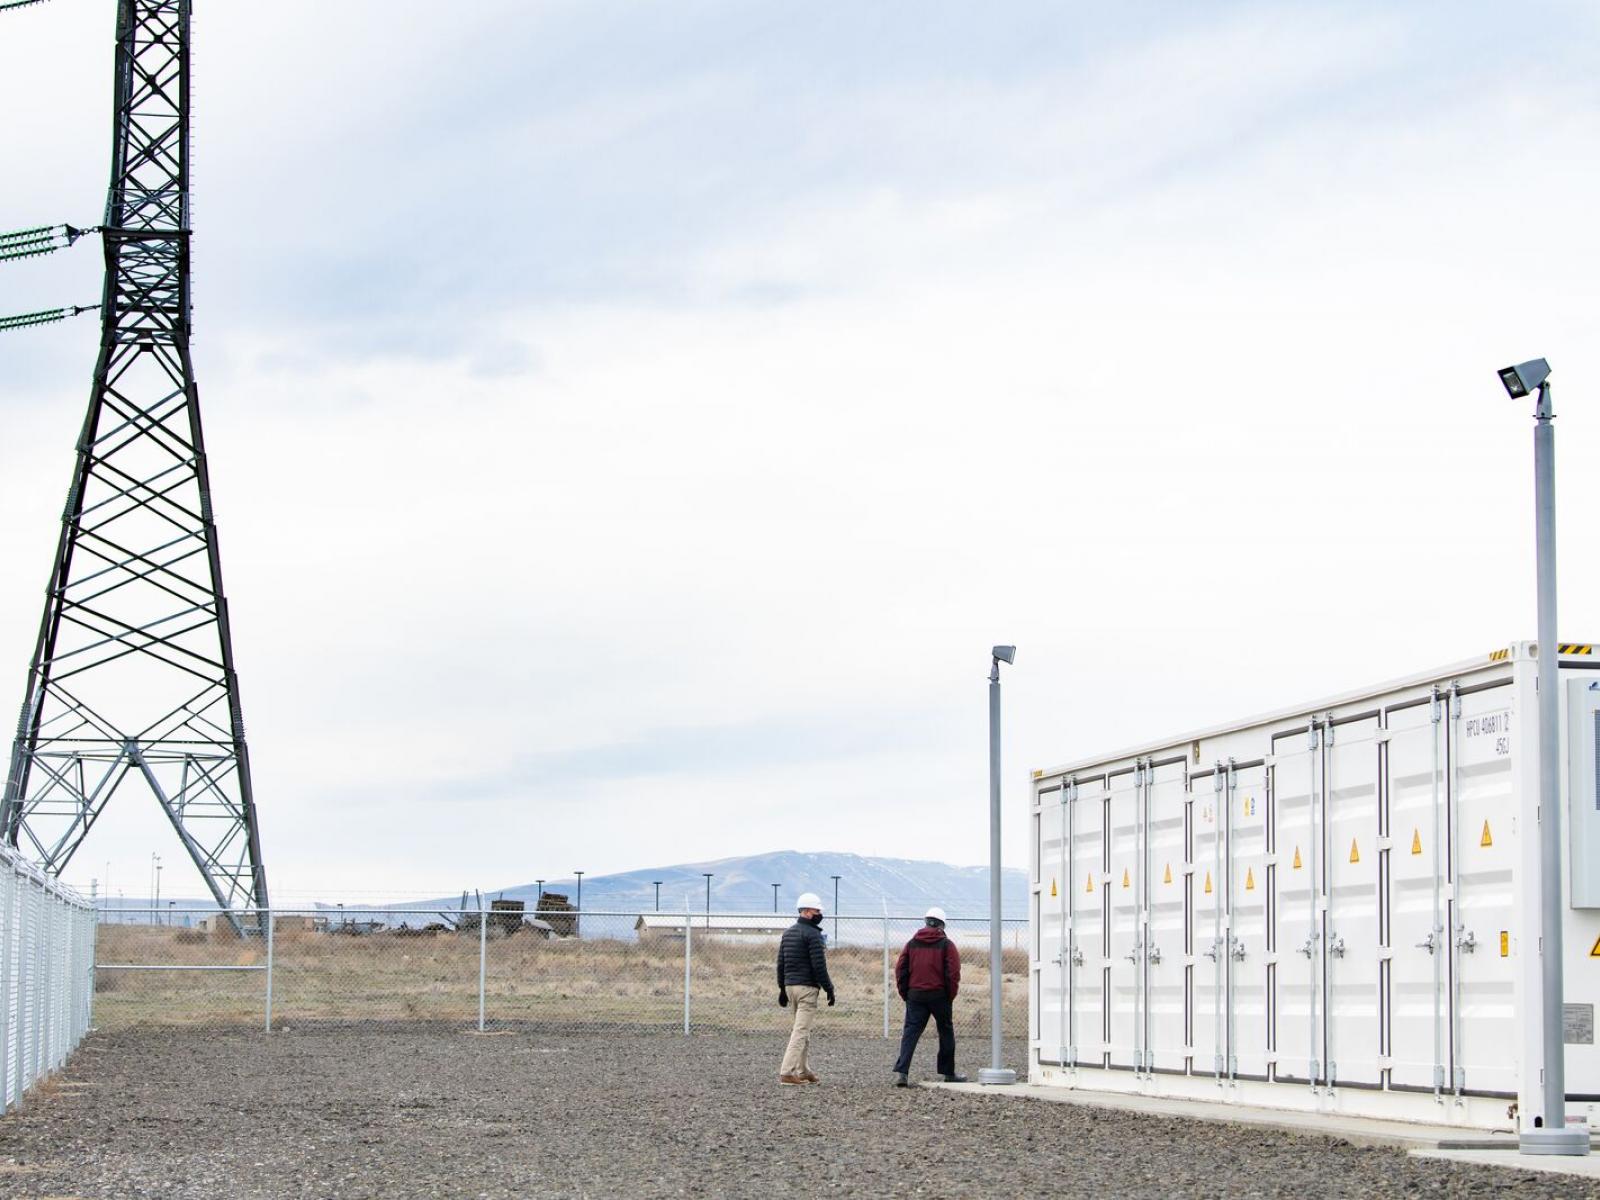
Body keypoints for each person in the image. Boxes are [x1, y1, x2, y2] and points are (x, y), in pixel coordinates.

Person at [892, 906, 966, 1086]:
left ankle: (902, 1073)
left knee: (910, 1033)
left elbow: (900, 969)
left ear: (926, 922)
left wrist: (906, 993)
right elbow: (953, 972)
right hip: (940, 996)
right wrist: (949, 995)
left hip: (915, 995)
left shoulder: (911, 944)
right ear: (942, 925)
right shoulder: (947, 945)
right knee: (945, 1032)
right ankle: (948, 1073)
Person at [776, 891, 835, 1085]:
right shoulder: (813, 935)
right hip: (807, 989)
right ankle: (787, 1072)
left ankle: (803, 1070)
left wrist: (782, 990)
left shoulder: (788, 933)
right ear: (808, 911)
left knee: (802, 1030)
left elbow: (781, 963)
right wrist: (829, 988)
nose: (820, 913)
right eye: (817, 910)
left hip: (790, 986)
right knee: (800, 1031)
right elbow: (819, 966)